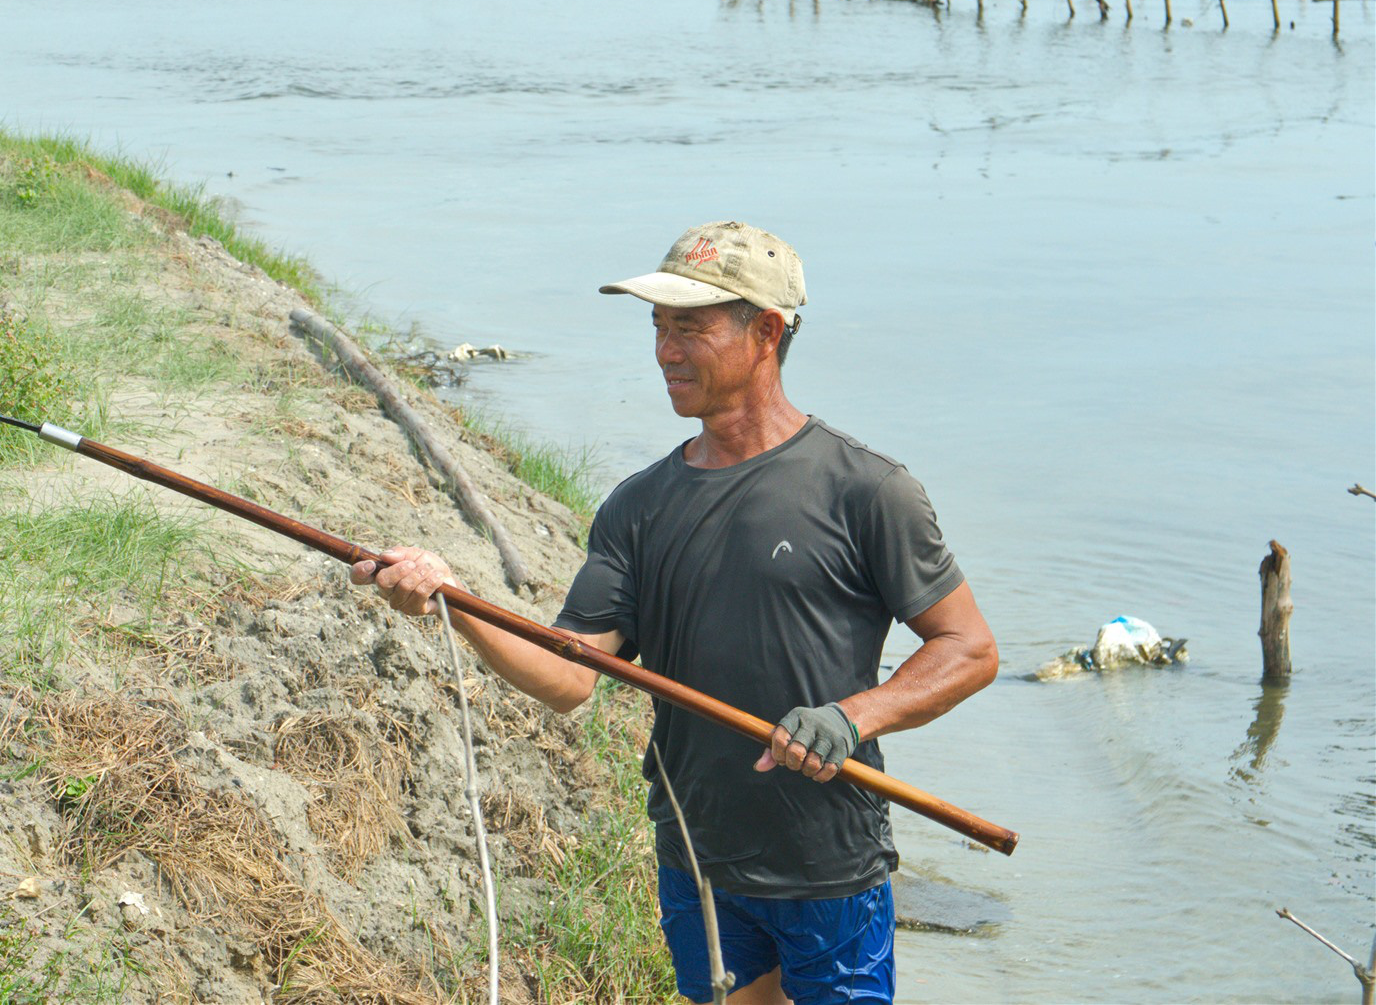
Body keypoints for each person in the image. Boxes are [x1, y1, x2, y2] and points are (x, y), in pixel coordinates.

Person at [352, 221, 998, 1005]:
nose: (664, 351)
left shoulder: (865, 490)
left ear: (767, 332)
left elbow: (967, 648)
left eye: (689, 328)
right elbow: (569, 675)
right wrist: (451, 603)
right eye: (657, 328)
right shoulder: (639, 507)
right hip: (696, 856)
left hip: (829, 861)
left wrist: (854, 717)